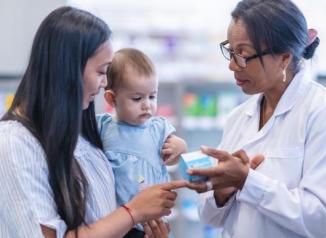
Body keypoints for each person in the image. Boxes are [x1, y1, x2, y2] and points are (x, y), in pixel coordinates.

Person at [0, 6, 186, 238]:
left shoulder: (80, 134)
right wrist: (134, 212)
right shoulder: (14, 143)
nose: (105, 83)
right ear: (68, 70)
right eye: (101, 72)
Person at [186, 0, 326, 237]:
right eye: (231, 51)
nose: (232, 66)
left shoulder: (324, 115)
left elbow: (320, 218)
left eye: (243, 54)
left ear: (284, 58)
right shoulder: (239, 117)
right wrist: (221, 191)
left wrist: (247, 181)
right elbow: (211, 218)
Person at [96, 48, 187, 237]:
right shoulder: (103, 126)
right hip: (117, 221)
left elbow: (176, 154)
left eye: (152, 96)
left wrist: (180, 147)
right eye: (137, 98)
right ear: (112, 98)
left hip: (152, 223)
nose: (147, 104)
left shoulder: (158, 128)